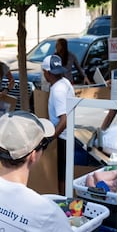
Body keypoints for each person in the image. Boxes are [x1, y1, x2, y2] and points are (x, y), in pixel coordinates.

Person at [42, 54, 75, 193]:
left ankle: (64, 201)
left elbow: (64, 120)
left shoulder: (57, 90)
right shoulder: (64, 82)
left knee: (62, 175)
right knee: (65, 172)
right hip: (69, 135)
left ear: (47, 73)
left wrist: (50, 138)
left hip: (64, 138)